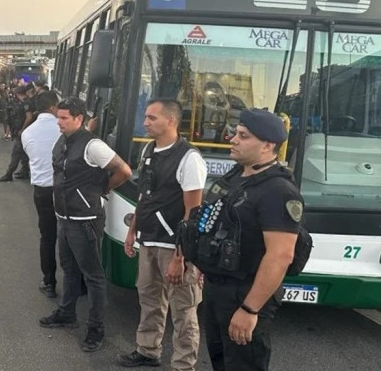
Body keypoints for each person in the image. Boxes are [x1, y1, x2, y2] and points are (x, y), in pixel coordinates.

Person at [186, 109, 301, 371]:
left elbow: (280, 255)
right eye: (236, 133)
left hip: (245, 292)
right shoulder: (237, 177)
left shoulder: (278, 191)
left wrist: (250, 310)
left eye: (243, 136)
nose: (232, 139)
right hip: (219, 289)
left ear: (268, 146)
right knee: (221, 361)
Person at [118, 100, 207, 370]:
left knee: (183, 311)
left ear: (170, 121)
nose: (145, 122)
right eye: (145, 117)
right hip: (148, 240)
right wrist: (133, 231)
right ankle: (147, 350)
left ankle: (183, 365)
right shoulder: (149, 150)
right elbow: (144, 197)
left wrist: (181, 257)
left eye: (151, 117)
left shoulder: (189, 158)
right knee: (149, 300)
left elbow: (192, 213)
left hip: (173, 247)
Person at [39, 97, 132, 352]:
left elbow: (124, 171)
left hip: (85, 222)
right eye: (58, 117)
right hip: (64, 218)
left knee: (93, 276)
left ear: (78, 119)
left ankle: (96, 328)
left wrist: (101, 189)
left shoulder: (93, 146)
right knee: (69, 269)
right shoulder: (66, 139)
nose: (59, 122)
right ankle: (67, 313)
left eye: (64, 118)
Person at [21, 91, 61, 298]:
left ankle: (49, 282)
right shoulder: (64, 128)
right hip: (64, 190)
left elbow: (31, 156)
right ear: (54, 108)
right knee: (70, 237)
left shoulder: (27, 133)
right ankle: (78, 284)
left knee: (47, 237)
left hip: (42, 191)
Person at [0, 86, 33, 181]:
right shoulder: (25, 102)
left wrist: (22, 129)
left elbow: (29, 117)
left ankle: (9, 174)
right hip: (22, 131)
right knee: (23, 153)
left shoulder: (26, 103)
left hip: (23, 132)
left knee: (16, 154)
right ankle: (25, 171)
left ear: (18, 93)